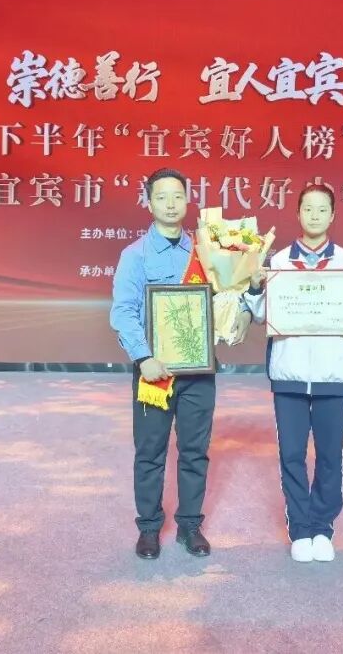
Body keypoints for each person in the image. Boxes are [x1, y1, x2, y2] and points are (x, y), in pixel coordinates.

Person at [241, 183, 343, 563]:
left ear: (333, 215)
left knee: (329, 456)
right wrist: (255, 288)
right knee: (291, 454)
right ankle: (300, 529)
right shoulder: (278, 262)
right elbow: (261, 314)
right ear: (298, 213)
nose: (314, 215)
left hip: (333, 374)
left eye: (322, 209)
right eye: (308, 208)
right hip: (288, 372)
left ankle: (322, 528)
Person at [110, 167, 216, 560]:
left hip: (198, 372)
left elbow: (221, 303)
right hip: (154, 372)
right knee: (150, 452)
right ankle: (149, 528)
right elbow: (123, 312)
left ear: (188, 200)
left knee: (195, 450)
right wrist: (143, 357)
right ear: (148, 202)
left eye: (177, 196)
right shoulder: (134, 255)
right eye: (161, 197)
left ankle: (190, 525)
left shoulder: (206, 253)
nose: (171, 204)